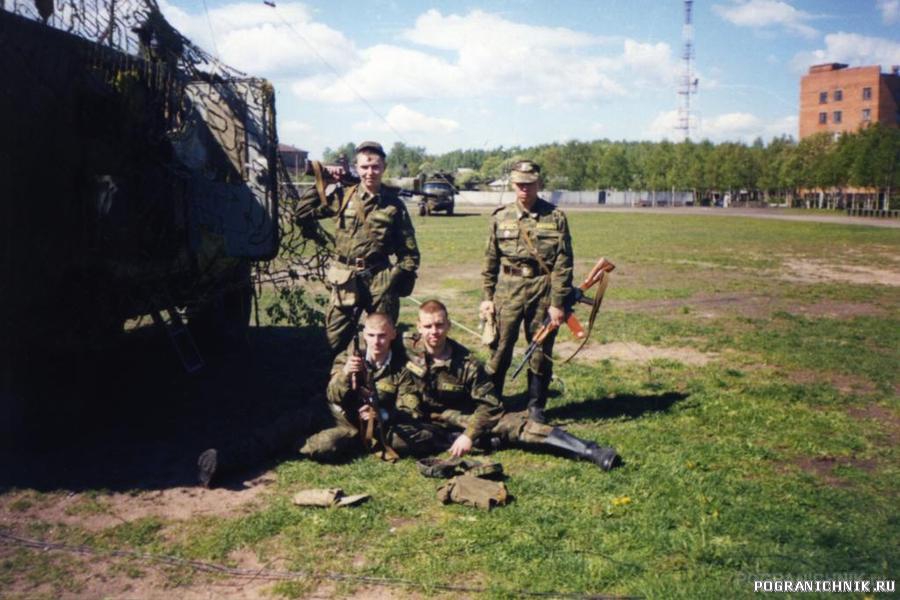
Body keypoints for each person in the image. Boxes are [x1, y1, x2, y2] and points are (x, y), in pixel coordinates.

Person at [197, 313, 436, 486]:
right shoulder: (349, 357)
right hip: (327, 410)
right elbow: (333, 394)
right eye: (371, 335)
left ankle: (296, 444)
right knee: (277, 431)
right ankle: (222, 461)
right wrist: (345, 375)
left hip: (359, 427)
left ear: (393, 334)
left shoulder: (401, 366)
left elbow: (409, 404)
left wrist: (382, 414)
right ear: (364, 335)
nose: (376, 342)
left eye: (382, 336)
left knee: (328, 447)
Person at [397, 300, 619, 470]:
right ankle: (481, 442)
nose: (433, 332)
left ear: (449, 325)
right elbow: (376, 339)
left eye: (439, 325)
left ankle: (590, 450)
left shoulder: (467, 363)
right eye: (427, 326)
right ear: (418, 326)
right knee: (394, 438)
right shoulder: (405, 344)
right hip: (417, 416)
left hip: (455, 415)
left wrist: (470, 434)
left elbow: (489, 405)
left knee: (513, 426)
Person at [297, 141, 420, 353]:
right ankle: (338, 383)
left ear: (383, 168)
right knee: (334, 341)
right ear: (357, 167)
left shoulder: (394, 205)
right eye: (364, 167)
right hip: (345, 277)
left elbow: (409, 252)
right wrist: (323, 183)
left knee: (382, 343)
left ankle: (381, 384)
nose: (369, 172)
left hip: (380, 279)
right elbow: (303, 213)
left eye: (375, 167)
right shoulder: (343, 196)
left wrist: (393, 278)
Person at [480, 160, 574, 423]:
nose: (524, 189)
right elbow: (489, 260)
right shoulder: (500, 217)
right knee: (500, 347)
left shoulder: (555, 217)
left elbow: (563, 263)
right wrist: (487, 298)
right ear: (513, 184)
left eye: (529, 184)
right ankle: (493, 401)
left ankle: (536, 407)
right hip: (508, 290)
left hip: (543, 290)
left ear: (538, 184)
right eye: (520, 184)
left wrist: (558, 303)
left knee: (540, 349)